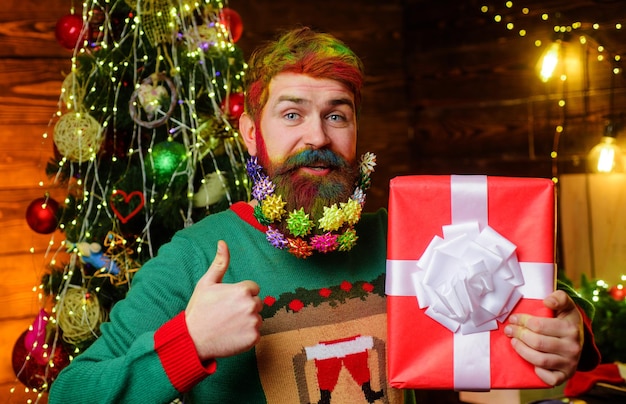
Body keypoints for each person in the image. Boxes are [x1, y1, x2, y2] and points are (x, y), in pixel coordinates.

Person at [49, 27, 599, 403]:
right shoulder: (197, 257)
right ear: (251, 134)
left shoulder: (409, 241)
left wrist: (567, 334)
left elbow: (522, 310)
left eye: (337, 116)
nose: (317, 136)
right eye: (292, 114)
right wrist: (189, 342)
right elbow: (72, 392)